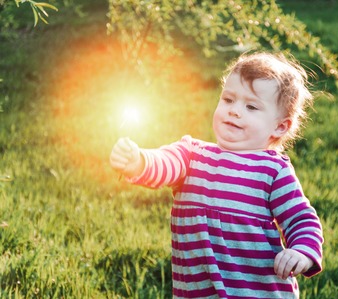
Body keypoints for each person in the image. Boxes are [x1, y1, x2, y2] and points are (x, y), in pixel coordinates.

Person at [110, 52, 324, 298]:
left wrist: (302, 252)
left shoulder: (273, 171)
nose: (234, 111)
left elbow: (301, 218)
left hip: (259, 292)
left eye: (251, 106)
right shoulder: (192, 155)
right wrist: (138, 162)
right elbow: (165, 163)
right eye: (228, 99)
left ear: (279, 126)